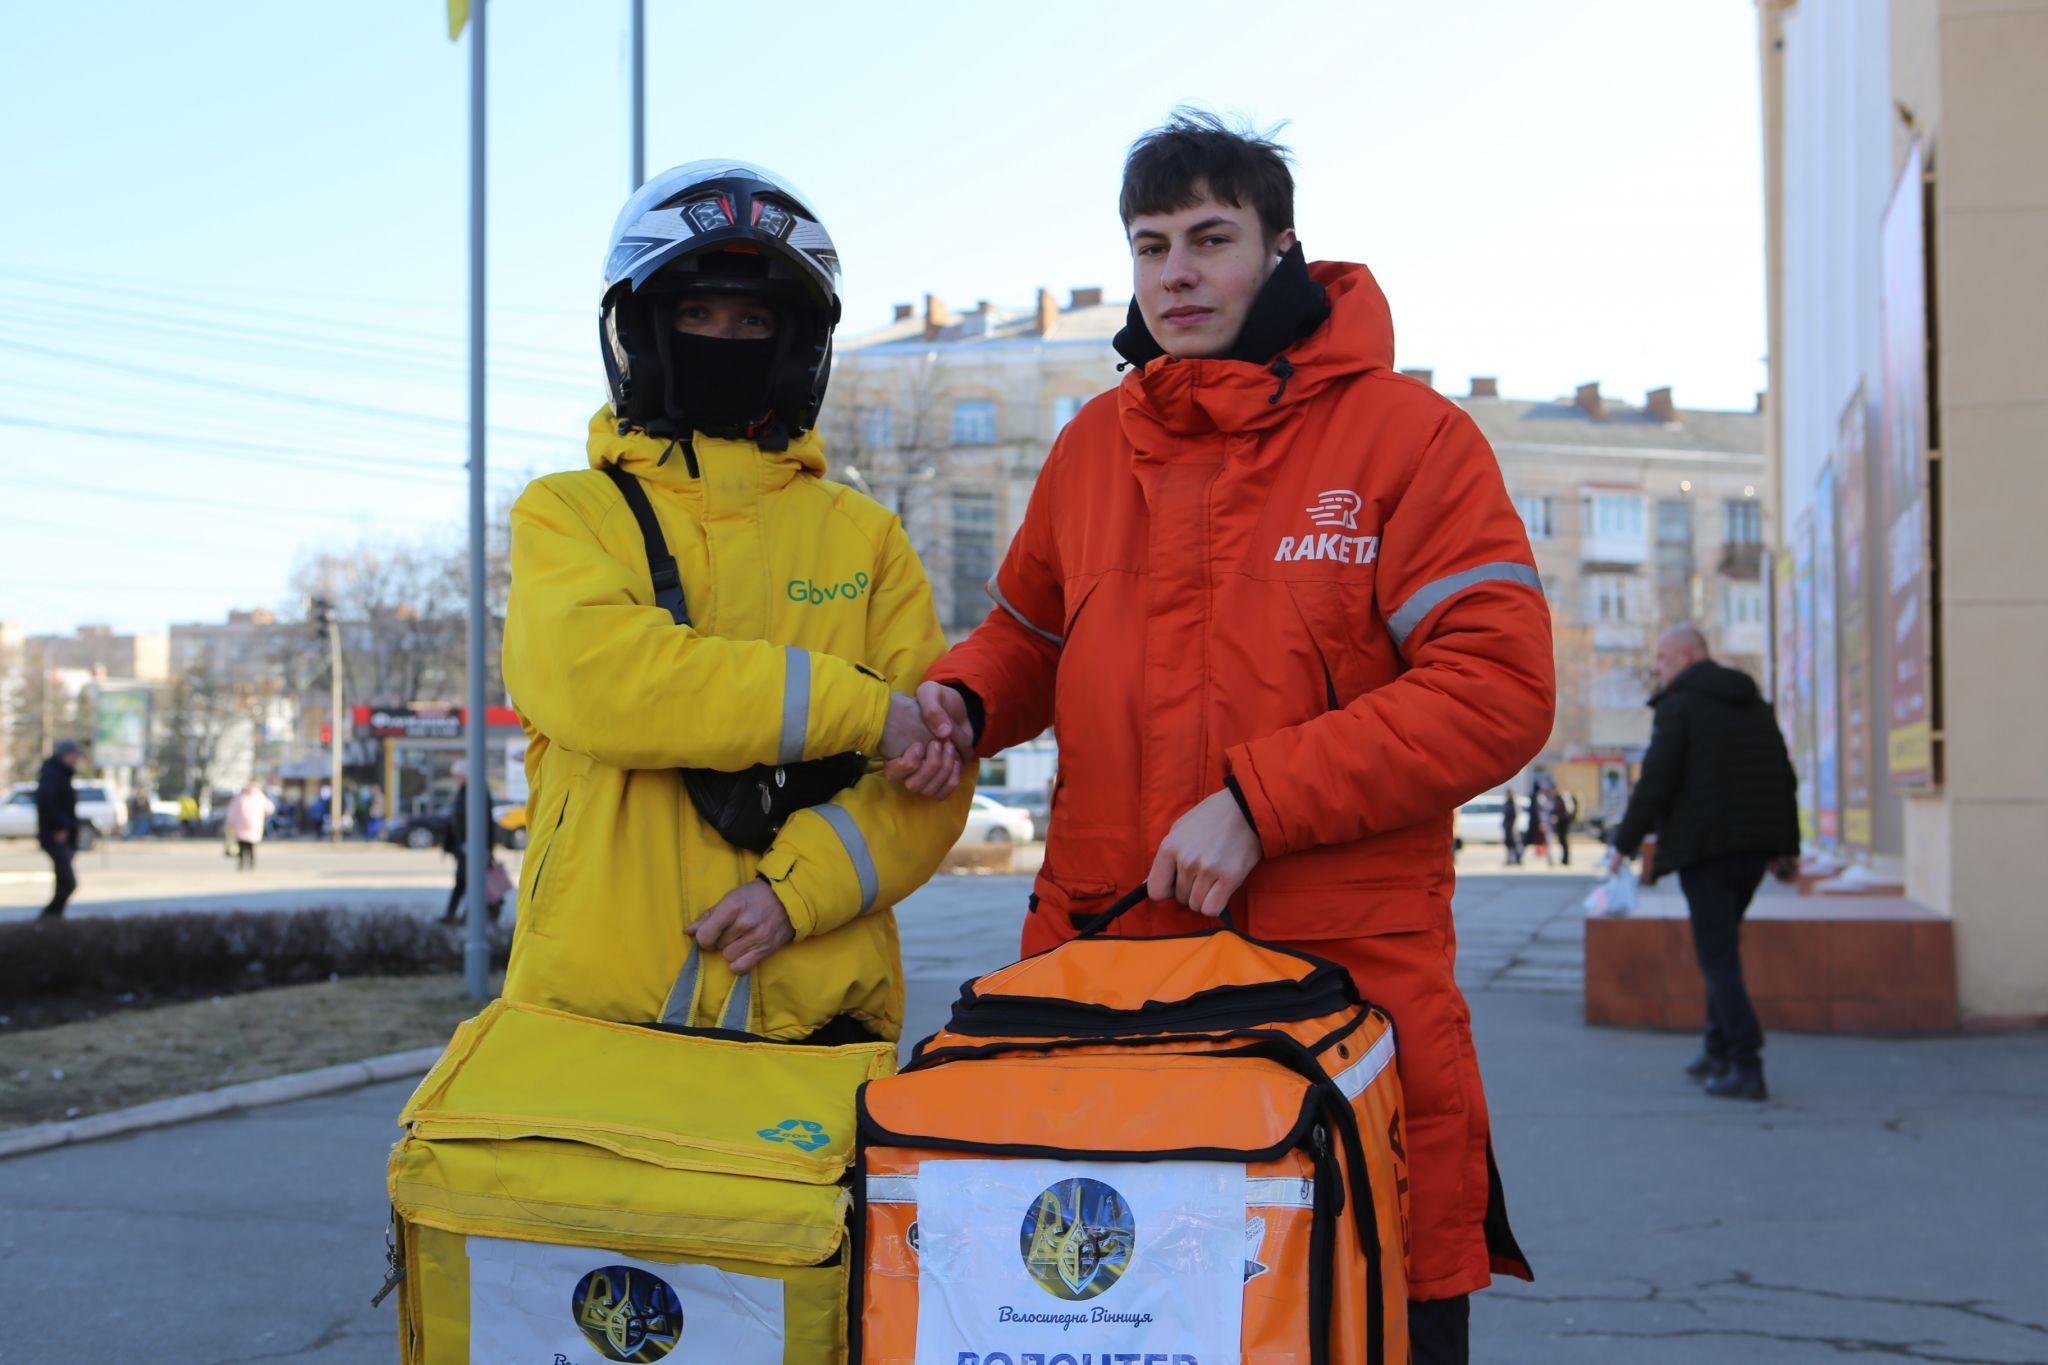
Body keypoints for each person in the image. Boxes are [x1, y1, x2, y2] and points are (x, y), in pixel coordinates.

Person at [895, 113, 1551, 1362]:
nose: (1176, 274)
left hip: (1331, 992)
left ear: (1280, 251)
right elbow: (1026, 636)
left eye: (1209, 239)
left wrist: (1259, 801)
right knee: (1109, 1319)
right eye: (1150, 247)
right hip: (1106, 983)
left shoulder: (1407, 439)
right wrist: (963, 702)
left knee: (1358, 1314)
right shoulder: (1092, 447)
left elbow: (1496, 685)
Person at [498, 159, 971, 1041]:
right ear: (642, 332)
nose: (727, 337)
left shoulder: (865, 539)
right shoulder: (568, 514)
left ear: (797, 345)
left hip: (817, 1015)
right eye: (696, 314)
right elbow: (609, 684)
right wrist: (868, 711)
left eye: (754, 320)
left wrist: (794, 895)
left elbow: (934, 775)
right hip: (598, 1018)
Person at [1609, 624, 1800, 1101]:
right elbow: (1782, 775)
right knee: (1723, 949)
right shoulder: (1754, 704)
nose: (1658, 667)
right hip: (1753, 851)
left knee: (1717, 959)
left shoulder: (1680, 707)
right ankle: (1716, 1049)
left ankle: (1747, 1063)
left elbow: (1656, 782)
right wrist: (1786, 847)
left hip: (1707, 851)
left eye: (1663, 657)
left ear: (1688, 656)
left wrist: (1622, 844)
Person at [36, 740, 85, 919]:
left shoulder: (61, 774)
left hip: (63, 834)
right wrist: (59, 827)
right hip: (56, 834)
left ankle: (53, 921)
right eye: (74, 755)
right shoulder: (52, 774)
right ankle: (48, 918)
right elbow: (47, 803)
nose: (76, 759)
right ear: (65, 755)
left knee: (63, 882)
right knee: (68, 883)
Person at [225, 780, 275, 872]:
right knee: (251, 846)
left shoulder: (240, 798)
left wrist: (230, 823)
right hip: (255, 825)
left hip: (240, 825)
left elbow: (232, 812)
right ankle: (251, 864)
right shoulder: (260, 797)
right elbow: (270, 808)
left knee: (242, 846)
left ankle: (241, 864)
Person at [1523, 779, 1552, 867]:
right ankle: (1550, 860)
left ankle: (1550, 860)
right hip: (1537, 823)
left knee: (1529, 842)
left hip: (1534, 823)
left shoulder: (1535, 796)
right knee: (1544, 841)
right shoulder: (1537, 797)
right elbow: (1537, 811)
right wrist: (1541, 822)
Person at [1549, 785, 1577, 867]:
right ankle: (1564, 859)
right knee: (1562, 841)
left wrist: (1558, 817)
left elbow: (1565, 812)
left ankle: (1566, 860)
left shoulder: (1562, 798)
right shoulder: (1556, 798)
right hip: (1560, 823)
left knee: (1564, 841)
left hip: (1564, 823)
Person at [1500, 788, 1521, 865]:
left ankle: (1517, 859)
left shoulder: (1513, 804)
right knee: (1508, 844)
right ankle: (1510, 859)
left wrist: (1512, 826)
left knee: (1514, 844)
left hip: (1511, 827)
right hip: (1507, 827)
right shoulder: (1507, 803)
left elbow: (1515, 815)